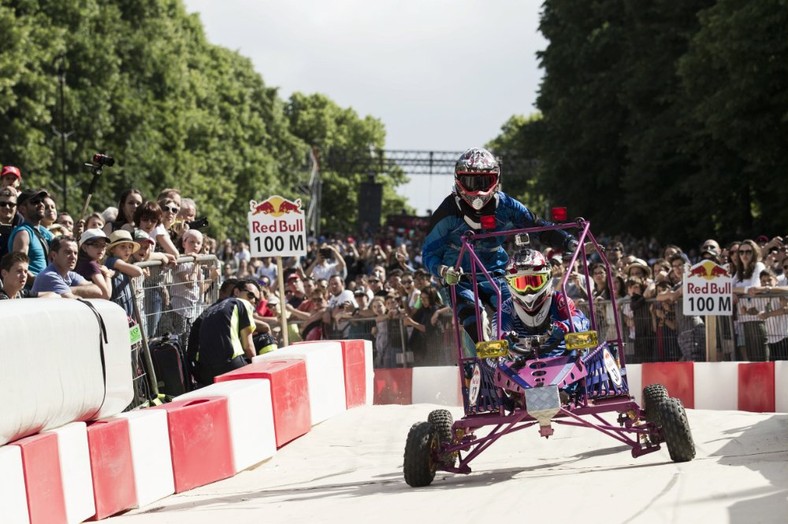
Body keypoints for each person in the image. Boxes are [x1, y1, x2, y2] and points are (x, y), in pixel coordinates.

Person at [422, 147, 577, 343]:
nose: (478, 190)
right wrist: (443, 271)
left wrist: (566, 240)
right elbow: (428, 253)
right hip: (459, 279)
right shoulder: (446, 213)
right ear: (458, 181)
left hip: (496, 274)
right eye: (471, 181)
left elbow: (537, 224)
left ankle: (537, 352)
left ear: (496, 180)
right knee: (474, 316)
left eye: (484, 181)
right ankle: (485, 361)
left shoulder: (506, 205)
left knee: (521, 309)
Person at [193, 279, 259, 385]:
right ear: (236, 292)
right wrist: (258, 367)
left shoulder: (211, 309)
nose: (253, 301)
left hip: (205, 371)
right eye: (250, 295)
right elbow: (248, 346)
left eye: (257, 300)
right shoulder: (242, 303)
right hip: (230, 365)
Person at [8, 189, 55, 287]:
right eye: (35, 202)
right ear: (22, 209)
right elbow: (19, 269)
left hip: (47, 287)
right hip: (33, 293)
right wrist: (46, 284)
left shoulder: (43, 232)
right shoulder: (23, 233)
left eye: (42, 201)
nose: (41, 204)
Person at [30, 236, 102, 298]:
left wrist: (67, 290)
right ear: (54, 255)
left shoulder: (71, 275)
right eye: (68, 252)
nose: (73, 257)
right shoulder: (48, 276)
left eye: (75, 253)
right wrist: (67, 292)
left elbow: (98, 290)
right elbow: (71, 299)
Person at [104, 230, 144, 316]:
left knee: (131, 328)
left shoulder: (122, 264)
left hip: (126, 307)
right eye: (123, 247)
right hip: (117, 309)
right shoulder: (113, 261)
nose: (127, 250)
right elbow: (138, 272)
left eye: (130, 247)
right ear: (112, 250)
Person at [74, 228, 113, 299]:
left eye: (103, 245)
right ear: (84, 247)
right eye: (96, 245)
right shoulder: (91, 265)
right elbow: (106, 295)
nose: (101, 249)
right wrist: (108, 275)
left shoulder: (80, 262)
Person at [0, 186, 20, 259]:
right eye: (2, 204)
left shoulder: (23, 228)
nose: (7, 207)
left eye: (11, 204)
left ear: (17, 207)